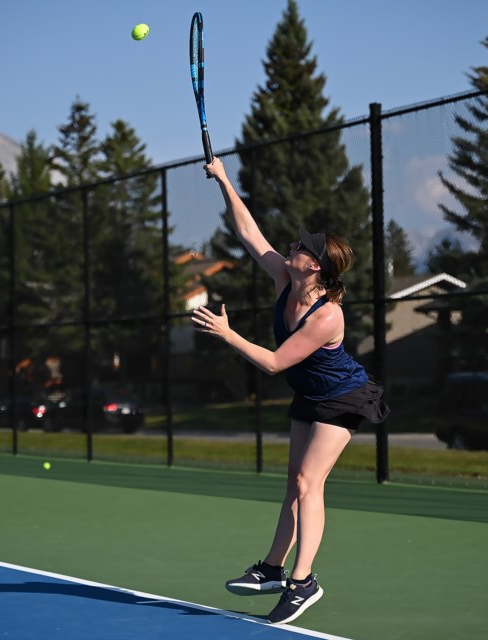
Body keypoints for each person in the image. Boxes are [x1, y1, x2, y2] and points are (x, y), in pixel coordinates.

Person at [192, 157, 390, 625]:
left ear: (315, 264)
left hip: (343, 397)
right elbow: (249, 234)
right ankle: (272, 568)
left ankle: (304, 584)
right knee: (292, 485)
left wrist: (227, 334)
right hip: (311, 393)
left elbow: (276, 363)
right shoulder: (286, 277)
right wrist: (223, 179)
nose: (291, 247)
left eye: (300, 246)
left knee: (308, 483)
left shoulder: (326, 315)